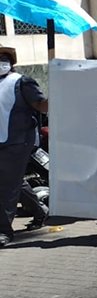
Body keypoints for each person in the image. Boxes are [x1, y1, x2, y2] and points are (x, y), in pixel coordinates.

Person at [0, 45, 49, 246]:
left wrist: (57, 92)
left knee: (6, 186)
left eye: (4, 58)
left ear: (11, 63)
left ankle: (4, 231)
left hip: (17, 141)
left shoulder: (21, 82)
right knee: (13, 182)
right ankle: (39, 210)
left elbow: (41, 105)